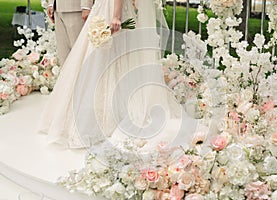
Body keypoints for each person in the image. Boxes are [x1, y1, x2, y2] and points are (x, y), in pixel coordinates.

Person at [39, 0, 199, 149]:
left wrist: (116, 15)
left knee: (108, 60)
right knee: (105, 61)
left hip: (113, 9)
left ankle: (109, 113)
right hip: (104, 8)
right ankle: (104, 111)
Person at [46, 0, 94, 65]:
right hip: (57, 9)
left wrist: (86, 5)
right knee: (64, 59)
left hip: (77, 9)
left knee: (80, 56)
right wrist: (51, 4)